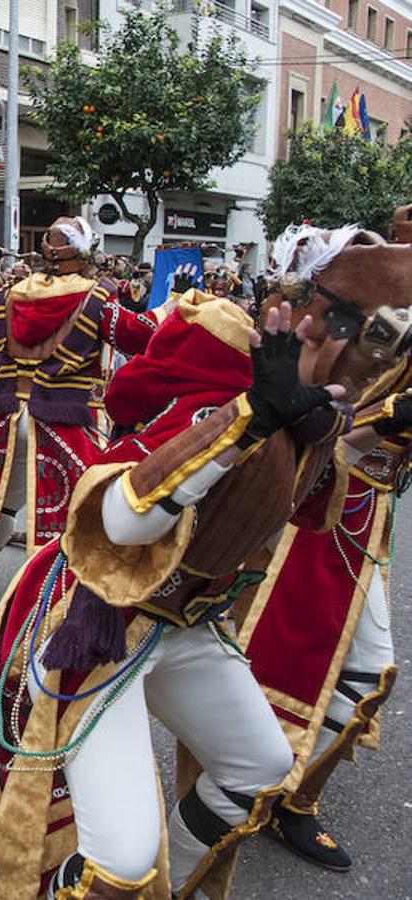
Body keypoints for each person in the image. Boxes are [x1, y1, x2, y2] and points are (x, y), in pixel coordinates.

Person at [0, 290, 349, 899]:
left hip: (186, 622)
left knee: (261, 766)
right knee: (124, 864)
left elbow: (318, 513)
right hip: (97, 628)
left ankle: (171, 889)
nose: (330, 345)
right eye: (328, 332)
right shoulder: (199, 413)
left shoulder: (294, 423)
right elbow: (120, 522)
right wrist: (243, 422)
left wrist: (331, 430)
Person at [229, 216, 412, 874]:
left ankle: (277, 785)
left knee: (347, 669)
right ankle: (273, 787)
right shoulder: (340, 315)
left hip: (362, 511)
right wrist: (389, 418)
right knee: (350, 667)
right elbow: (321, 416)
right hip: (323, 507)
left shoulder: (384, 314)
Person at [0, 217, 161, 595]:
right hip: (63, 418)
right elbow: (142, 336)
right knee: (77, 506)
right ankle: (65, 584)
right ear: (84, 253)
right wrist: (171, 305)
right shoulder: (96, 300)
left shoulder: (10, 294)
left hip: (8, 415)